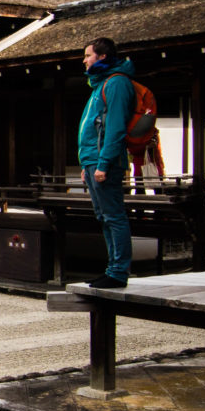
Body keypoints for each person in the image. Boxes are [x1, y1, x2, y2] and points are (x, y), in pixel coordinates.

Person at [77, 36, 136, 288]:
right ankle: (112, 267)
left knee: (114, 216)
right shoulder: (99, 84)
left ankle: (119, 271)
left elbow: (114, 128)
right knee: (103, 216)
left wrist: (103, 163)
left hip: (104, 161)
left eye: (88, 55)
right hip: (92, 159)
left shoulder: (116, 83)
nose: (84, 60)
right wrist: (86, 164)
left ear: (102, 56)